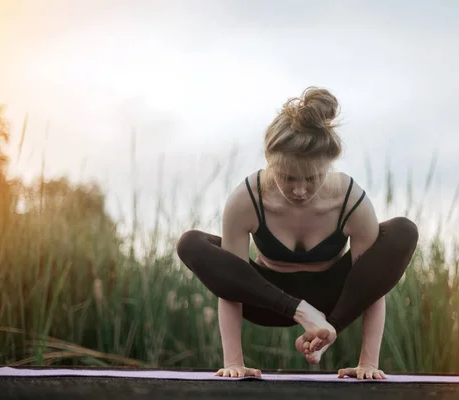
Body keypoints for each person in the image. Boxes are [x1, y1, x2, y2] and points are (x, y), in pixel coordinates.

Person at [176, 87, 418, 380]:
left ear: (327, 167)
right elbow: (229, 284)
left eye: (311, 178)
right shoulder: (246, 199)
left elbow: (373, 283)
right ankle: (303, 312)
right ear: (269, 162)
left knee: (403, 230)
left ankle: (325, 330)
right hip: (266, 301)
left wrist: (368, 362)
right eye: (287, 178)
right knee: (191, 243)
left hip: (334, 302)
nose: (300, 190)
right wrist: (234, 362)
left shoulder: (350, 200)